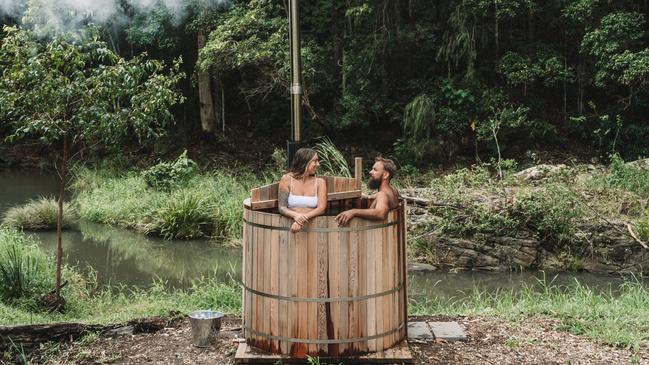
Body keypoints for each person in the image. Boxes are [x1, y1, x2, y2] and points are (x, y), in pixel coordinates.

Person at [335, 157, 399, 225]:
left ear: (385, 175)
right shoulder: (393, 190)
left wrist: (353, 212)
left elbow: (381, 213)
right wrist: (364, 196)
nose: (370, 172)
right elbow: (379, 198)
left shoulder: (382, 194)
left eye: (375, 170)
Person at [278, 148, 328, 232]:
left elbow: (321, 208)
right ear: (305, 162)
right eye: (315, 161)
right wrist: (295, 216)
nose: (318, 164)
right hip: (289, 227)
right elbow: (282, 207)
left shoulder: (320, 183)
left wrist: (300, 220)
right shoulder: (287, 179)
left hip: (313, 229)